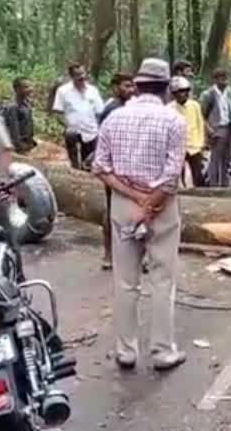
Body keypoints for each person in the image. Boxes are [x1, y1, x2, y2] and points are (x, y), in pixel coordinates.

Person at [93, 58, 188, 371]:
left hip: (123, 204)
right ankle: (162, 351)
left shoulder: (113, 119)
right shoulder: (173, 120)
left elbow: (100, 168)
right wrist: (149, 204)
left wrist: (134, 198)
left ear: (137, 85)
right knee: (163, 280)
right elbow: (173, 174)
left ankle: (126, 350)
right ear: (165, 88)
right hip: (162, 206)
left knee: (125, 281)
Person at [96, 73, 136, 270]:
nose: (130, 90)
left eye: (132, 86)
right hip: (114, 167)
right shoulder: (111, 110)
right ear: (115, 88)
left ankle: (132, 253)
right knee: (112, 208)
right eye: (126, 86)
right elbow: (103, 140)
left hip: (131, 165)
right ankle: (109, 253)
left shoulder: (132, 107)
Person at [52, 63, 105, 170]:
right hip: (72, 131)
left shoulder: (93, 90)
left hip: (91, 130)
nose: (82, 77)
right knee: (74, 160)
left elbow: (100, 111)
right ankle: (75, 170)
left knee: (89, 161)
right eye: (78, 75)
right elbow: (58, 112)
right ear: (71, 76)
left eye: (83, 73)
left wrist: (99, 128)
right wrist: (66, 126)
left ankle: (86, 176)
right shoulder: (63, 91)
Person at [199, 69, 231, 187]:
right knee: (215, 159)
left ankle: (225, 184)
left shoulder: (229, 92)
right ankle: (213, 185)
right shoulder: (208, 94)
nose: (224, 81)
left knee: (226, 158)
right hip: (216, 129)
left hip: (228, 127)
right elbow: (201, 115)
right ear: (215, 80)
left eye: (225, 78)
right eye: (221, 78)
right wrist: (208, 129)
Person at [171, 77, 207, 187]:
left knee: (198, 174)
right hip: (178, 146)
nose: (185, 94)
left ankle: (201, 195)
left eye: (187, 91)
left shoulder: (195, 105)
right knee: (178, 174)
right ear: (174, 93)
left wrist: (201, 142)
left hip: (194, 145)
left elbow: (200, 124)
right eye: (181, 91)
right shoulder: (170, 108)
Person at [0, 78, 37, 154]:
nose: (30, 89)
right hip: (19, 146)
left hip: (27, 143)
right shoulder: (12, 107)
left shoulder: (26, 103)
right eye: (26, 87)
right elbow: (13, 130)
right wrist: (19, 147)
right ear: (17, 89)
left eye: (30, 86)